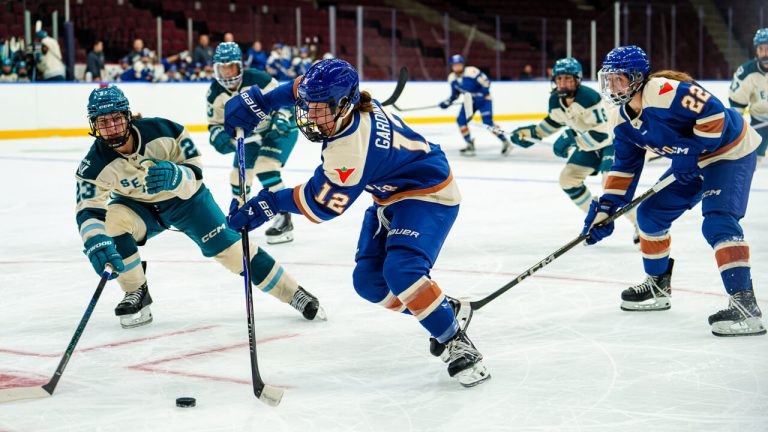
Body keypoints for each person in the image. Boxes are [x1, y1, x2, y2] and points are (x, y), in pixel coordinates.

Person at [223, 59, 491, 387]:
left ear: (344, 105)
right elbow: (298, 89)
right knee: (368, 282)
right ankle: (443, 309)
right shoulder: (345, 103)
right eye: (309, 106)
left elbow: (320, 205)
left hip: (429, 193)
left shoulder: (349, 150)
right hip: (391, 194)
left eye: (320, 109)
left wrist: (267, 203)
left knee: (401, 271)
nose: (310, 115)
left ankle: (456, 341)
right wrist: (262, 102)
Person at [75, 85, 323, 329]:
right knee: (111, 222)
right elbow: (88, 209)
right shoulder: (93, 164)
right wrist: (96, 241)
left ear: (128, 116)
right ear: (93, 125)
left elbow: (195, 174)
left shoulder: (165, 131)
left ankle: (293, 293)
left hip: (188, 201)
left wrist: (176, 176)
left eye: (116, 119)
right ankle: (135, 291)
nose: (111, 128)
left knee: (234, 252)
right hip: (139, 209)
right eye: (103, 122)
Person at [582, 46, 765, 337]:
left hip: (729, 152)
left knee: (718, 220)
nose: (613, 86)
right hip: (693, 159)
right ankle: (657, 285)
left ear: (639, 77)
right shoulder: (621, 119)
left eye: (620, 79)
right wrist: (606, 208)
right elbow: (624, 169)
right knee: (650, 214)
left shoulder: (664, 90)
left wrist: (688, 150)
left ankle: (745, 304)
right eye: (609, 79)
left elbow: (715, 113)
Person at [511, 57, 639, 243]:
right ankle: (597, 218)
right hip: (588, 145)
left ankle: (640, 225)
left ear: (577, 79)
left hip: (613, 143)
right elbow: (553, 122)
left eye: (568, 79)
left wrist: (572, 138)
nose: (563, 83)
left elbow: (603, 135)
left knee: (611, 186)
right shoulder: (555, 100)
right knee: (568, 179)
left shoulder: (588, 98)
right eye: (559, 79)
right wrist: (529, 134)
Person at [207, 42, 299, 244]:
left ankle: (284, 220)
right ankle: (241, 217)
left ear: (240, 65)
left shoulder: (259, 79)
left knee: (265, 167)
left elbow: (284, 99)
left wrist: (282, 116)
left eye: (230, 66)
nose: (226, 72)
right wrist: (219, 138)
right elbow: (214, 124)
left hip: (278, 130)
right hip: (250, 136)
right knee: (237, 177)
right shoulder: (214, 92)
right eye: (222, 67)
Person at [438, 54, 511, 156]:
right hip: (470, 102)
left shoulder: (472, 71)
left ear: (463, 64)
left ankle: (505, 141)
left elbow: (487, 82)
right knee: (461, 120)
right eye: (455, 65)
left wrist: (482, 93)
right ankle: (469, 144)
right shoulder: (451, 78)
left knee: (488, 122)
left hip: (484, 100)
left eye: (459, 64)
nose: (457, 67)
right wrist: (447, 102)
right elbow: (455, 94)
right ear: (452, 66)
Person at [729, 28, 768, 166]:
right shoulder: (746, 73)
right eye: (761, 49)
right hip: (760, 122)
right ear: (756, 51)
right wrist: (738, 129)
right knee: (753, 161)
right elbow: (737, 103)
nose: (765, 53)